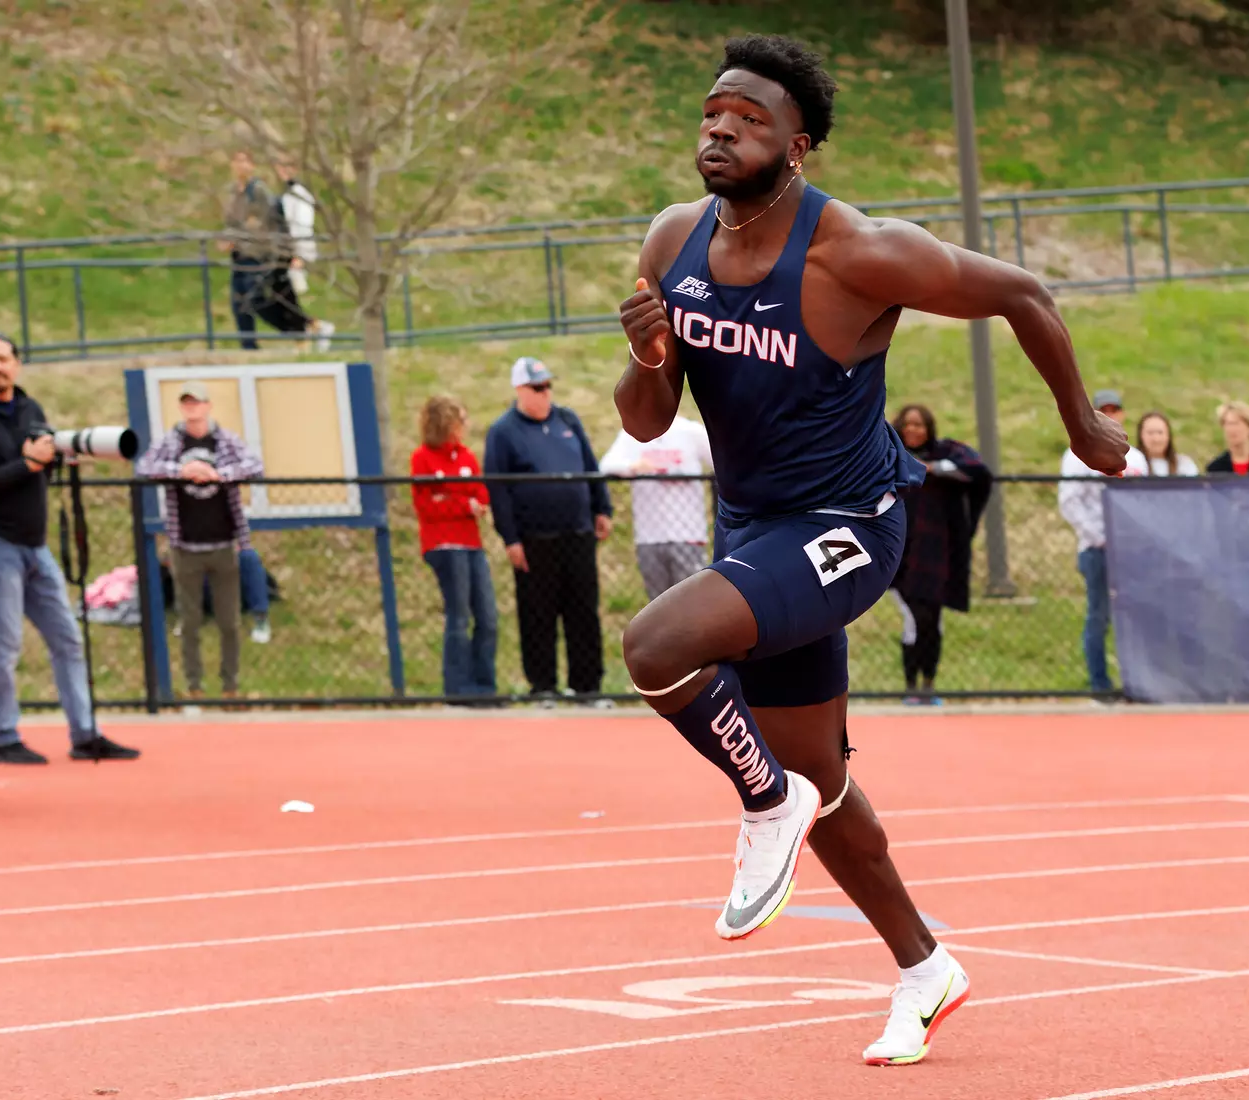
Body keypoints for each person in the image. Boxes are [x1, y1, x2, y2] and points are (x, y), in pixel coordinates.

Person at [614, 34, 1128, 1064]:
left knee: (656, 643)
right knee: (828, 785)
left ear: (796, 145)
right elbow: (643, 417)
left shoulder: (856, 249)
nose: (720, 127)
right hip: (755, 528)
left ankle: (763, 803)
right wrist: (647, 353)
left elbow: (1022, 292)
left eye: (748, 118)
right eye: (712, 112)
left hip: (851, 525)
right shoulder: (674, 242)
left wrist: (1080, 423)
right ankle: (924, 964)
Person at [0, 335, 139, 764]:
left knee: (68, 639)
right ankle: (4, 738)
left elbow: (40, 465)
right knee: (5, 643)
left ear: (17, 364)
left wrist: (48, 461)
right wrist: (27, 464)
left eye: (4, 358)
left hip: (36, 546)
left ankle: (85, 733)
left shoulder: (31, 409)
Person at [483, 356, 614, 705]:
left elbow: (590, 467)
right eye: (537, 388)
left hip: (577, 534)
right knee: (538, 614)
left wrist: (602, 508)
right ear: (520, 391)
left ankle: (587, 687)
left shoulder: (568, 419)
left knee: (583, 611)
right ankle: (543, 686)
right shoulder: (504, 431)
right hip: (534, 539)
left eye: (547, 386)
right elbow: (498, 490)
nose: (545, 394)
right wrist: (510, 538)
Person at [136, 382, 266, 700]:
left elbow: (255, 465)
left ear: (208, 406)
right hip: (185, 545)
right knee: (190, 621)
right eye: (187, 403)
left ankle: (230, 686)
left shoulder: (224, 439)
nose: (192, 408)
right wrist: (182, 470)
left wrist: (218, 473)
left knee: (229, 621)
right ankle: (193, 686)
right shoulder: (172, 441)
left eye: (198, 403)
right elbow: (145, 466)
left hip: (223, 543)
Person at [888, 404, 990, 706]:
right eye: (908, 424)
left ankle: (928, 686)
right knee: (916, 619)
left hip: (936, 557)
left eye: (920, 425)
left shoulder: (948, 454)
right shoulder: (888, 456)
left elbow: (978, 473)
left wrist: (934, 469)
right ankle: (911, 686)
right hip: (899, 558)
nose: (913, 430)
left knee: (933, 621)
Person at [1059, 390, 1148, 698]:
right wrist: (1097, 535)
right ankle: (1100, 684)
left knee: (1136, 615)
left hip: (1131, 549)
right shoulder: (1076, 456)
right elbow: (1069, 501)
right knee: (1099, 615)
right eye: (1104, 409)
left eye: (1116, 409)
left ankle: (1138, 681)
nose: (1111, 414)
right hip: (1096, 548)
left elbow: (1144, 501)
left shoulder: (1135, 456)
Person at [411, 395, 497, 701]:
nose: (465, 426)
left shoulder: (466, 457)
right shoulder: (422, 458)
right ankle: (458, 688)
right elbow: (426, 506)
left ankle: (485, 686)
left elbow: (482, 496)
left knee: (487, 617)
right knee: (458, 615)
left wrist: (448, 499)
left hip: (471, 543)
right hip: (444, 545)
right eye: (460, 420)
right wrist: (464, 504)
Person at [597, 414, 714, 600]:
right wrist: (633, 467)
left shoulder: (690, 431)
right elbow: (606, 466)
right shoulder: (634, 435)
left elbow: (722, 461)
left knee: (693, 603)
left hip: (687, 534)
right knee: (659, 605)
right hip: (649, 537)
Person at [220, 149, 286, 351]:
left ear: (253, 165)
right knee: (238, 302)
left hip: (258, 253)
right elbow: (232, 222)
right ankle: (248, 345)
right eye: (237, 161)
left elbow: (267, 221)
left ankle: (301, 328)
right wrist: (226, 238)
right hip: (239, 254)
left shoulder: (259, 191)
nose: (241, 166)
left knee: (255, 298)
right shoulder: (231, 192)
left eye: (245, 161)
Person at [273, 155, 336, 352]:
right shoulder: (288, 194)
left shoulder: (300, 195)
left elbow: (302, 227)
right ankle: (311, 329)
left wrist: (299, 255)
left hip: (295, 251)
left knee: (287, 295)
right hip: (285, 250)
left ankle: (311, 331)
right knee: (283, 295)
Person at [1135, 411, 1197, 477]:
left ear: (1168, 435)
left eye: (1160, 432)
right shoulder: (1133, 464)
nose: (1156, 439)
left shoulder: (1185, 465)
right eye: (1150, 433)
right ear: (1140, 435)